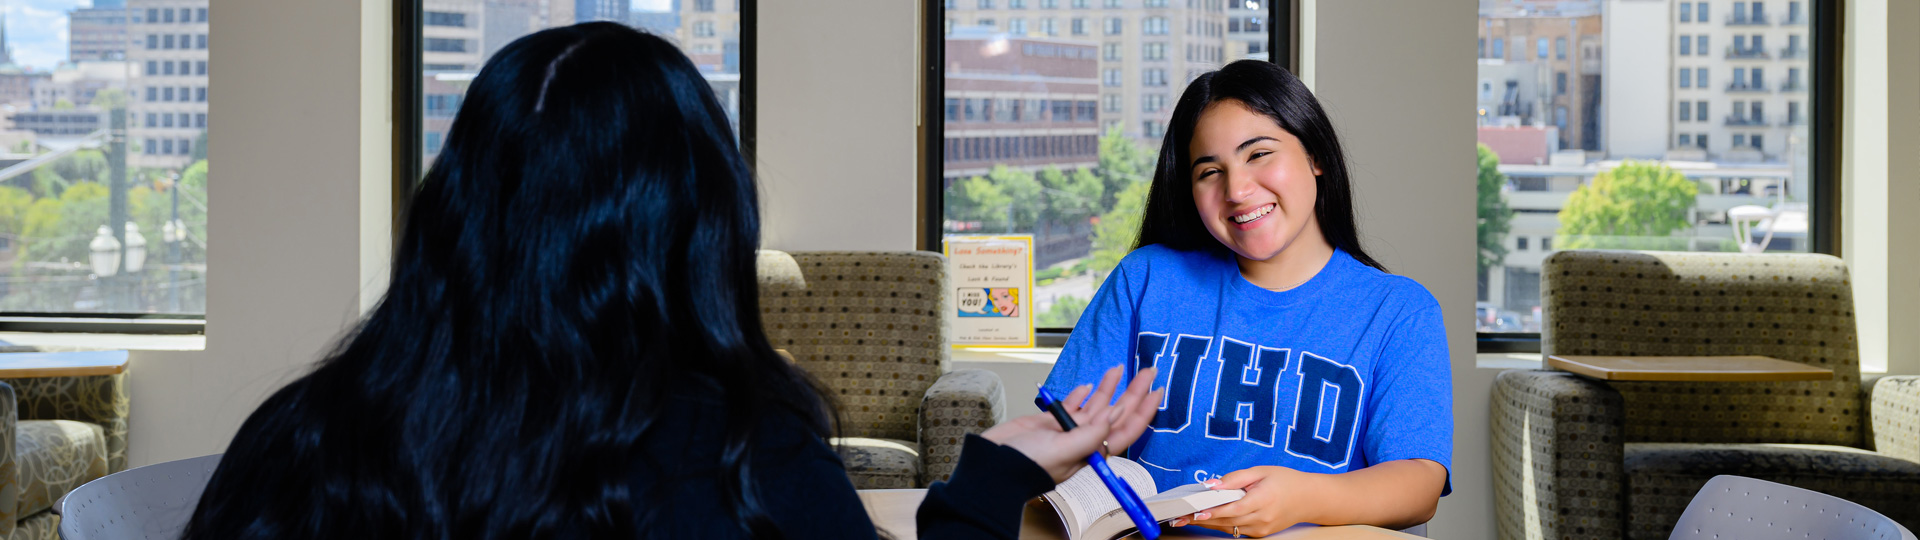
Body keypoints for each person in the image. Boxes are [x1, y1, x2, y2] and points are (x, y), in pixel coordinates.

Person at [183, 22, 1162, 540]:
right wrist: (991, 483)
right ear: (703, 228)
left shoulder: (302, 436)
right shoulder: (740, 462)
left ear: (458, 211)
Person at [1040, 60, 1452, 538]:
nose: (1236, 190)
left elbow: (1420, 484)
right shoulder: (1146, 278)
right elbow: (1065, 434)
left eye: (1258, 154)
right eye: (1210, 171)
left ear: (1315, 155)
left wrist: (1302, 497)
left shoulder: (1399, 311)